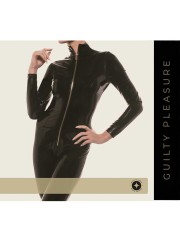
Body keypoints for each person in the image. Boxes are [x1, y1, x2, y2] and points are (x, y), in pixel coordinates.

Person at [27, 40, 143, 201]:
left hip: (76, 143)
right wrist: (33, 70)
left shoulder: (105, 60)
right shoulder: (56, 66)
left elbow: (136, 105)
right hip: (43, 142)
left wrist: (103, 136)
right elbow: (34, 112)